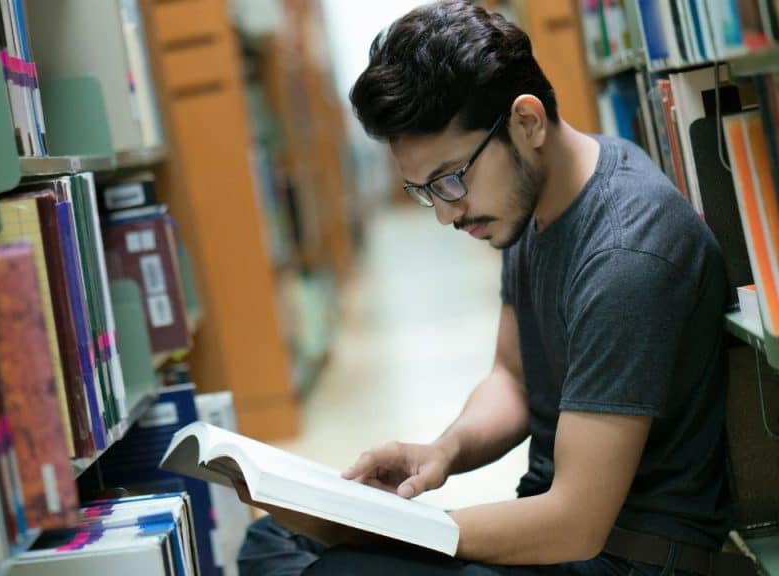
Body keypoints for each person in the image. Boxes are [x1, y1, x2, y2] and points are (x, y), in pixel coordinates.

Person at [235, 1, 749, 575]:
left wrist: (393, 535)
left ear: (526, 122)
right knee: (274, 543)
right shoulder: (532, 203)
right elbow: (513, 376)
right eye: (425, 191)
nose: (445, 215)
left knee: (334, 568)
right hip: (558, 532)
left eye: (451, 179)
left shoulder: (626, 254)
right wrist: (443, 452)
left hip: (622, 558)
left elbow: (575, 523)